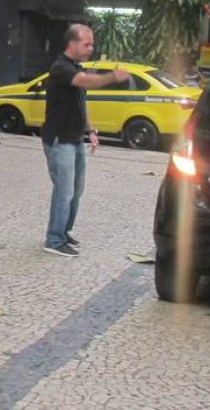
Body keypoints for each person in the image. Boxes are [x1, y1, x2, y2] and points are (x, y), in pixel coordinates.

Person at [40, 23, 129, 257]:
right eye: (87, 44)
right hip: (60, 140)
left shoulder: (76, 67)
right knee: (64, 190)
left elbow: (81, 103)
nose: (91, 48)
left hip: (75, 138)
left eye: (92, 44)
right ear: (72, 44)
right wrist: (112, 77)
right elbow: (86, 82)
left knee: (76, 191)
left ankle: (64, 231)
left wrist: (91, 131)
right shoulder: (61, 68)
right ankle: (54, 239)